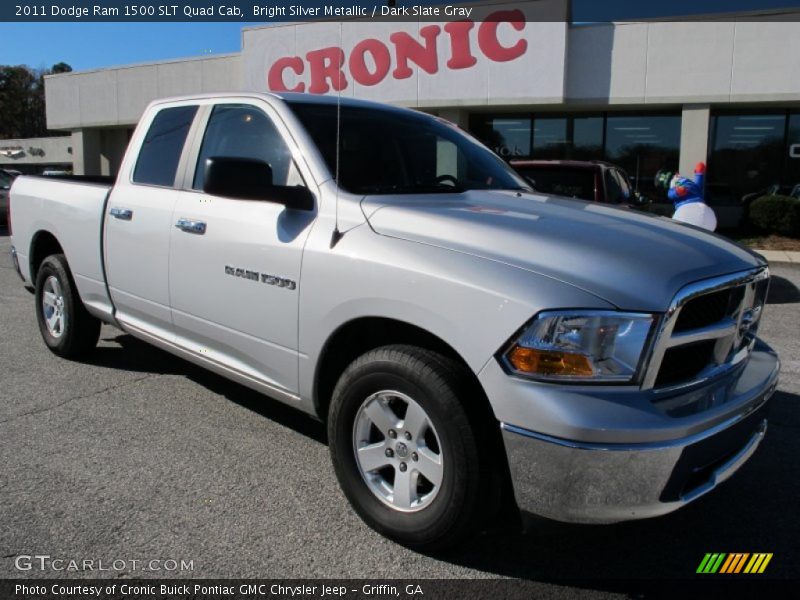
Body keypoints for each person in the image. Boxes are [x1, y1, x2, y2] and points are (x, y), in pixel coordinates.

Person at [668, 162, 717, 231]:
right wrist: (699, 173)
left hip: (686, 213)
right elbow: (699, 182)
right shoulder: (695, 187)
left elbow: (671, 194)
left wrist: (678, 191)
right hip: (708, 216)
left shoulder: (677, 184)